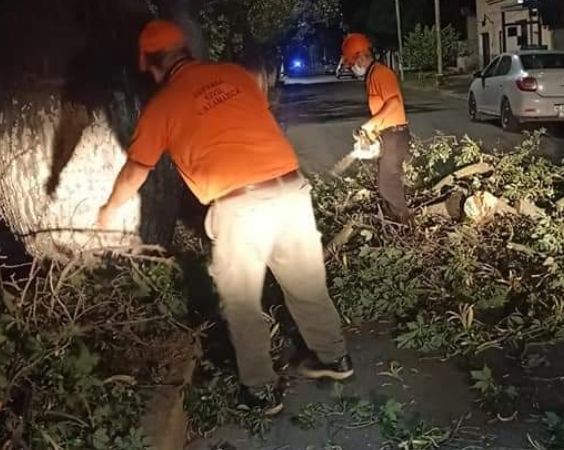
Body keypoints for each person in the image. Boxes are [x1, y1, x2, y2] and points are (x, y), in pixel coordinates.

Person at [96, 20, 353, 416]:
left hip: (240, 207)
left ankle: (260, 392)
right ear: (185, 50)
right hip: (290, 190)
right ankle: (335, 359)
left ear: (149, 63)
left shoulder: (162, 105)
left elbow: (136, 170)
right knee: (306, 284)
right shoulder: (234, 75)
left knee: (242, 302)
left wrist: (109, 210)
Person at [341, 33, 412, 224]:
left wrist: (370, 124)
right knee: (386, 182)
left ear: (361, 57)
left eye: (352, 63)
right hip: (388, 135)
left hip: (395, 135)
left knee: (388, 184)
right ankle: (395, 223)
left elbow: (395, 104)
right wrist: (370, 133)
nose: (352, 68)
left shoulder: (381, 73)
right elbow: (382, 111)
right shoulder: (372, 76)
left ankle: (405, 224)